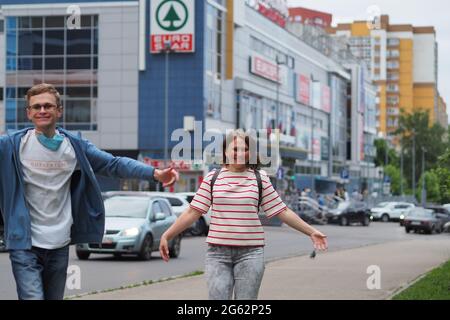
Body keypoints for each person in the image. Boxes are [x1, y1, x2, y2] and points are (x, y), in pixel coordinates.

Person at [0, 83, 179, 300]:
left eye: (48, 105)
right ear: (28, 113)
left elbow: (113, 164)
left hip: (59, 242)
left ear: (59, 110)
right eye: (36, 107)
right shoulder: (12, 145)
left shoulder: (74, 147)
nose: (42, 111)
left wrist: (154, 173)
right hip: (24, 242)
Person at [159, 130, 328, 300]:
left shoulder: (259, 179)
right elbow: (192, 212)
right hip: (218, 254)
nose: (240, 153)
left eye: (245, 149)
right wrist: (167, 235)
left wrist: (311, 231)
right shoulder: (213, 178)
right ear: (225, 151)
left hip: (251, 253)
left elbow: (282, 211)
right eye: (235, 149)